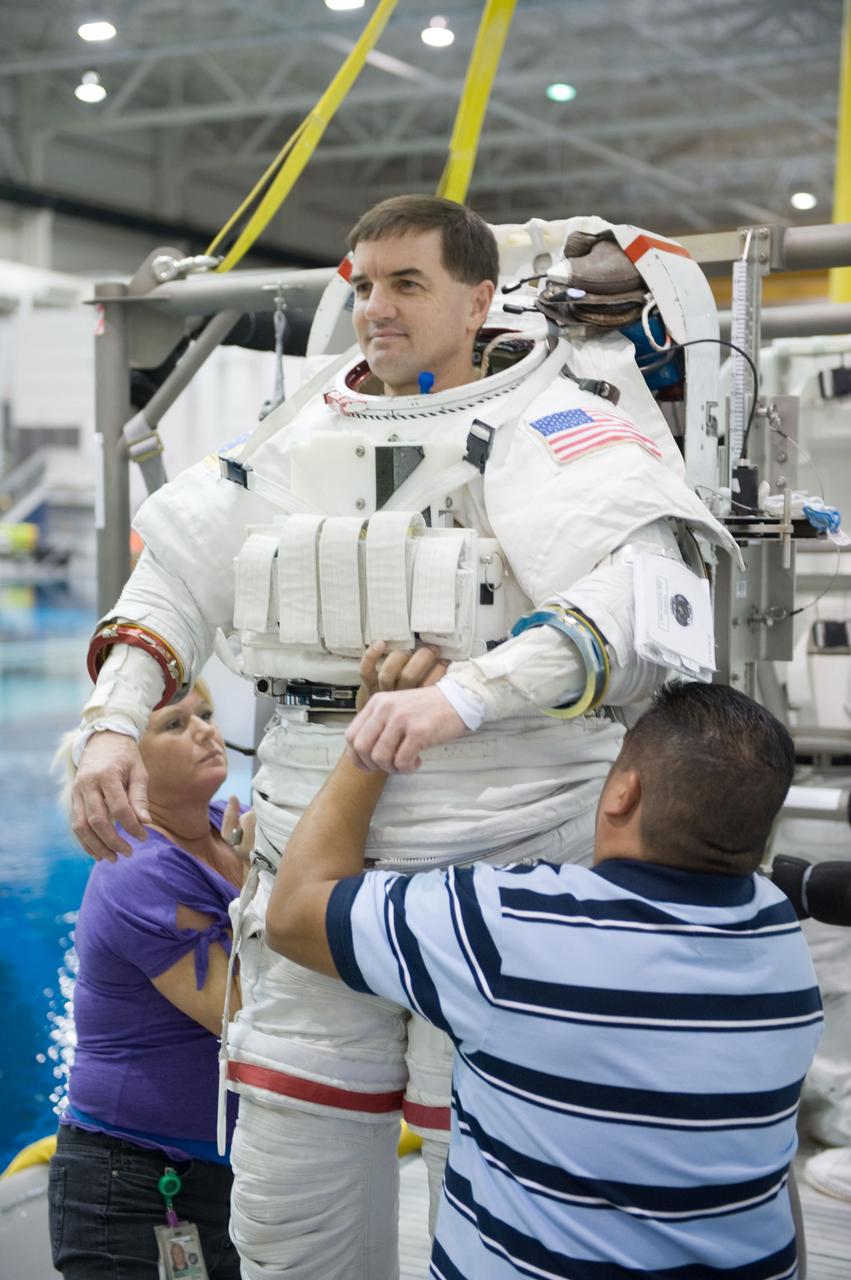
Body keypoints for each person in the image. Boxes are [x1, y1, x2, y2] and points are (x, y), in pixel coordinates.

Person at [69, 195, 741, 1279]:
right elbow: (173, 578)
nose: (373, 307)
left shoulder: (557, 415)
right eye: (363, 282)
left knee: (488, 1173)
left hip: (504, 841)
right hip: (309, 830)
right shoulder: (303, 424)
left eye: (406, 284)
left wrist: (464, 695)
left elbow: (634, 603)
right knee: (286, 1191)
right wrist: (109, 726)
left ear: (479, 299)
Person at [266, 681, 823, 1279]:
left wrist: (370, 739)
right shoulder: (779, 938)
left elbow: (294, 913)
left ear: (622, 793)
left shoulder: (510, 928)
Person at [49, 682, 253, 1279]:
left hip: (211, 1177)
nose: (205, 731)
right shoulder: (139, 868)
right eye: (174, 724)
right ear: (124, 767)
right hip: (133, 1187)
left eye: (207, 715)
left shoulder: (223, 829)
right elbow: (246, 1012)